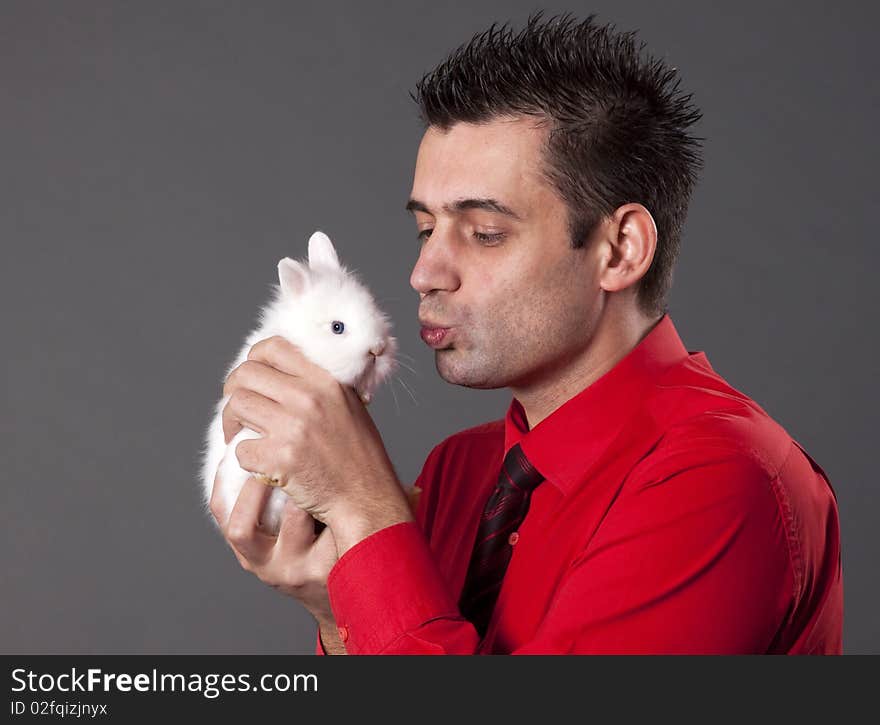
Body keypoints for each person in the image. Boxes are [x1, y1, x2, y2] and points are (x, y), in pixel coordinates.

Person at [211, 11, 843, 654]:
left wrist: (362, 512)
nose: (423, 272)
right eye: (426, 229)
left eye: (485, 233)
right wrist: (335, 605)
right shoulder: (458, 470)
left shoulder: (718, 484)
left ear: (620, 250)